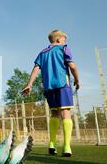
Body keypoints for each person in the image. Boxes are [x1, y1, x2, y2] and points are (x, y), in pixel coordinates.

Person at [22, 29, 80, 157]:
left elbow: (36, 68)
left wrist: (29, 84)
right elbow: (72, 66)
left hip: (48, 87)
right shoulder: (64, 48)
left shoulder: (43, 52)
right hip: (62, 85)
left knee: (54, 113)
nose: (65, 41)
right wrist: (77, 80)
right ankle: (66, 147)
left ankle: (52, 145)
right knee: (66, 113)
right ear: (59, 39)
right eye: (64, 39)